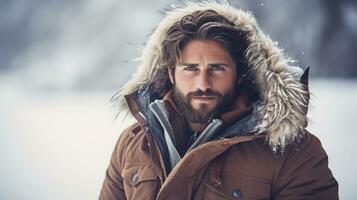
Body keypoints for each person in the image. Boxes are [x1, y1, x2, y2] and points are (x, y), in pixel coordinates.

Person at [99, 2, 338, 199]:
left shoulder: (291, 151)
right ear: (171, 73)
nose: (203, 83)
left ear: (239, 74)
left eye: (217, 68)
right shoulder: (133, 144)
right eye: (191, 68)